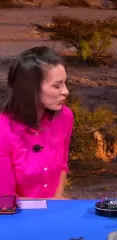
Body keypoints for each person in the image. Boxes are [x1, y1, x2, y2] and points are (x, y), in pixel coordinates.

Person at [0, 46, 73, 199]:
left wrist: (56, 202)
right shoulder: (3, 131)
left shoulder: (64, 117)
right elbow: (5, 199)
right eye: (56, 86)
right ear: (31, 89)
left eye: (64, 84)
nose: (65, 91)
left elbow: (62, 166)